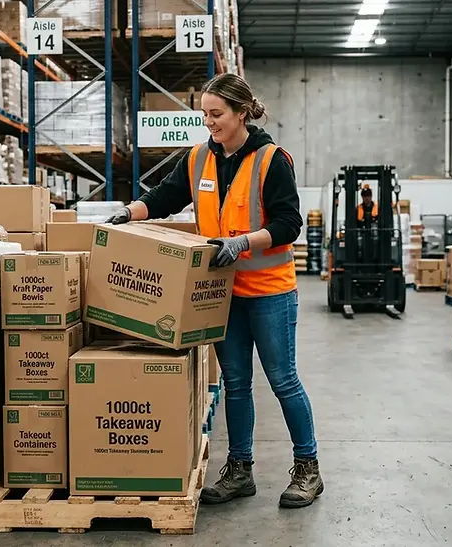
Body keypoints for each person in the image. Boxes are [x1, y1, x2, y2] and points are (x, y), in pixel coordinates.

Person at [104, 73, 323, 509]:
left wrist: (243, 242)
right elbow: (166, 196)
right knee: (236, 383)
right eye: (204, 114)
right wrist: (127, 213)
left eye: (217, 114)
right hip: (223, 292)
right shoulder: (199, 157)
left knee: (282, 380)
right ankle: (240, 470)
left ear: (242, 112)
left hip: (269, 291)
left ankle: (308, 469)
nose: (209, 122)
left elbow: (288, 224)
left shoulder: (272, 159)